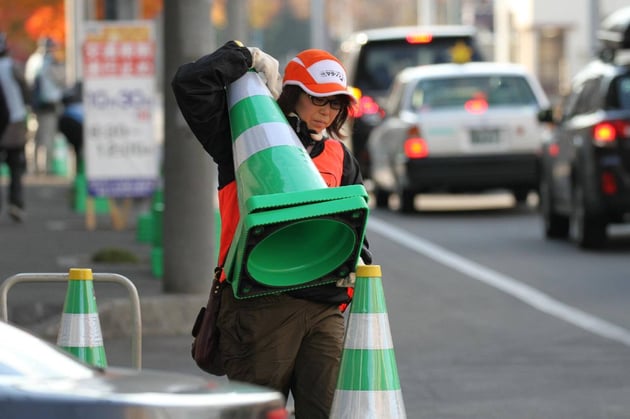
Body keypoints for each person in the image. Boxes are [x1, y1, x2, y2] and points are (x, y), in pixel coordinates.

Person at [171, 41, 372, 418]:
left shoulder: (340, 158)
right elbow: (190, 84)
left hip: (323, 307)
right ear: (291, 96)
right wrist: (243, 56)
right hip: (258, 306)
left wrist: (359, 262)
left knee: (327, 410)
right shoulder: (243, 139)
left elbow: (354, 232)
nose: (326, 112)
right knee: (260, 413)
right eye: (316, 100)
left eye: (334, 104)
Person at [24, 36, 64, 175]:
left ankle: (33, 167)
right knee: (47, 137)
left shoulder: (32, 60)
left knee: (34, 137)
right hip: (48, 105)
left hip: (33, 106)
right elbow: (62, 81)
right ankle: (45, 168)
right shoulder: (50, 62)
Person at [0, 33, 29, 222]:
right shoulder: (12, 67)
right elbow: (26, 90)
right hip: (15, 122)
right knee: (15, 165)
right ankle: (15, 203)